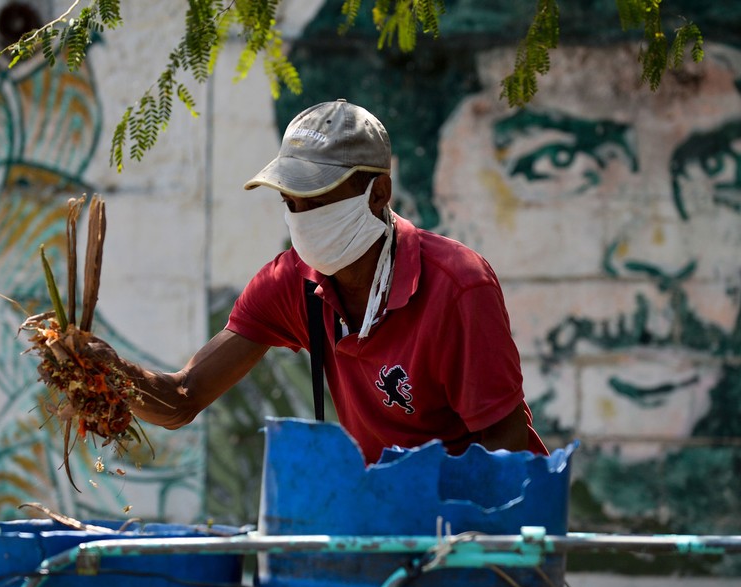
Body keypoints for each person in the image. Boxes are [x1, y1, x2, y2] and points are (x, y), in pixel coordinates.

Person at [111, 99, 547, 464]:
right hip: (385, 516)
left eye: (318, 201)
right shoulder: (292, 282)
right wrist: (105, 372)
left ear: (378, 194)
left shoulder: (457, 285)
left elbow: (504, 450)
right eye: (290, 202)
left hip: (476, 529)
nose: (302, 221)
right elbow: (183, 397)